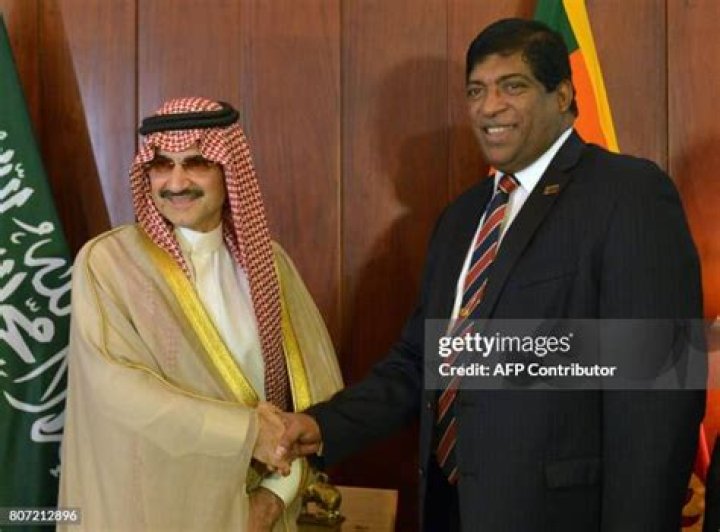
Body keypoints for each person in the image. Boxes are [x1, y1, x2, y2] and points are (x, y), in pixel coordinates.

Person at [276, 18, 706, 531]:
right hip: (453, 508)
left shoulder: (626, 193)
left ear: (563, 95)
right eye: (476, 91)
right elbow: (422, 361)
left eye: (512, 87)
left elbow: (659, 391)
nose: (489, 107)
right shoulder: (461, 218)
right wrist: (321, 426)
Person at [58, 96, 342, 532]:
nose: (176, 182)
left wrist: (273, 498)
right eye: (161, 165)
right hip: (154, 512)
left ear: (230, 170)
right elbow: (121, 394)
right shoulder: (109, 263)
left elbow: (313, 396)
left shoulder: (269, 263)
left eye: (196, 163)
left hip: (265, 504)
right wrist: (247, 433)